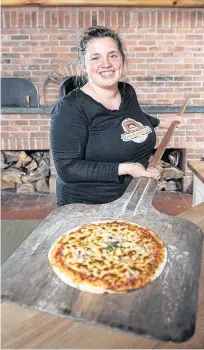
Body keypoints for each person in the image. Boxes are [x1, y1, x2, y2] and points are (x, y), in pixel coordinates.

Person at [50, 26, 181, 207]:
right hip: (87, 207)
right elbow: (67, 168)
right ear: (84, 66)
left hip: (133, 198)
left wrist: (159, 122)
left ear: (122, 59)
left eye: (113, 55)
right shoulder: (69, 109)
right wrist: (127, 168)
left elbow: (131, 118)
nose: (106, 64)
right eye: (96, 57)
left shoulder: (127, 92)